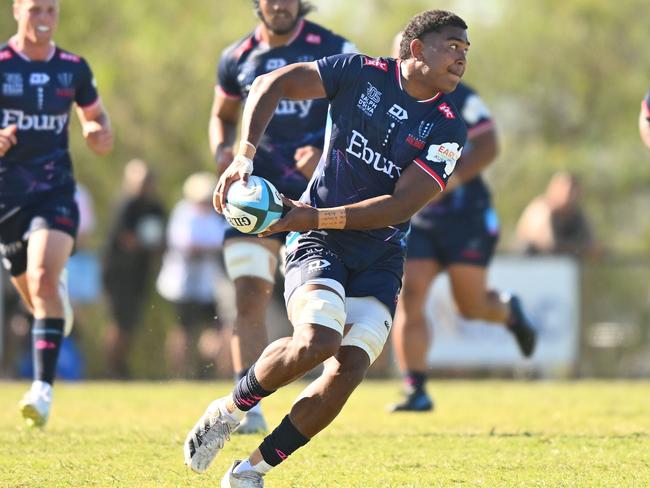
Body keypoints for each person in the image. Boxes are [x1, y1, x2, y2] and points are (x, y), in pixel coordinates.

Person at [184, 10, 470, 487]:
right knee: (318, 341)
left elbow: (400, 206)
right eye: (453, 46)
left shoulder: (447, 128)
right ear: (418, 49)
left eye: (466, 50)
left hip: (379, 255)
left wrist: (306, 214)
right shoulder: (358, 71)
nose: (462, 57)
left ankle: (249, 472)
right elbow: (269, 84)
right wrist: (243, 156)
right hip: (319, 242)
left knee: (349, 369)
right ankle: (231, 408)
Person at [210, 0, 356, 434]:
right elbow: (222, 115)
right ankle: (248, 405)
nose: (279, 4)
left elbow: (359, 113)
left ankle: (321, 397)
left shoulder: (334, 46)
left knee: (323, 321)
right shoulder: (235, 57)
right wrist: (223, 150)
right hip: (251, 199)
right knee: (249, 295)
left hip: (315, 199)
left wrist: (330, 157)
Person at [388, 32, 537, 413]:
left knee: (470, 305)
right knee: (412, 292)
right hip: (419, 218)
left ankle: (508, 311)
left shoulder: (462, 96)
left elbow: (488, 146)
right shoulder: (384, 97)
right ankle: (415, 388)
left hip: (465, 217)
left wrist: (447, 182)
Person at [0, 0, 112, 427]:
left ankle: (42, 391)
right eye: (35, 10)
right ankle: (53, 302)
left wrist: (97, 132)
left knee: (43, 278)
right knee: (36, 296)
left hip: (55, 193)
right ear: (16, 10)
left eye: (51, 10)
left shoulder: (74, 68)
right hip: (7, 198)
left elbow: (98, 119)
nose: (43, 19)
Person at [156, 172, 229, 378]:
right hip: (182, 284)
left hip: (207, 284)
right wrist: (208, 248)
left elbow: (219, 241)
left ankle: (205, 370)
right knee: (183, 330)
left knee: (214, 329)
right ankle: (180, 373)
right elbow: (188, 244)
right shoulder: (184, 213)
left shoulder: (215, 217)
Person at [102, 159, 165, 379]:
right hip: (119, 274)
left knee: (130, 323)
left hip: (140, 273)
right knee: (119, 322)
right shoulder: (126, 205)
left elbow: (161, 241)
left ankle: (121, 366)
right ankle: (112, 368)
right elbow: (125, 238)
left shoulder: (156, 207)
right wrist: (146, 245)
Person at [516, 171, 596, 258]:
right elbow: (545, 243)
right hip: (536, 263)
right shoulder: (541, 210)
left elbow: (589, 244)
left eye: (573, 190)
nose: (570, 195)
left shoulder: (578, 215)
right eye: (567, 189)